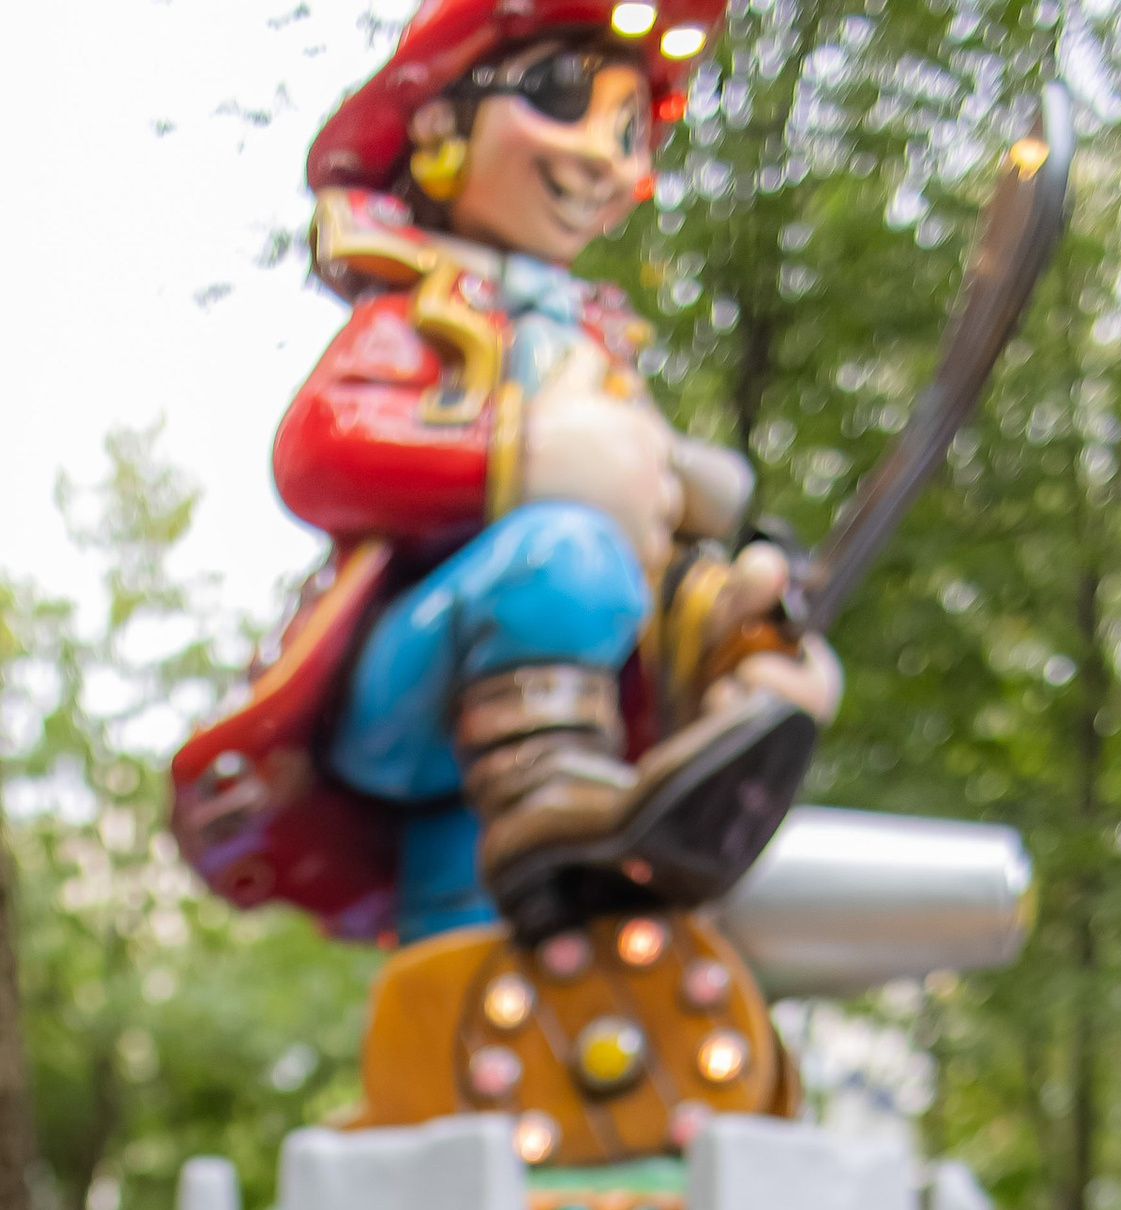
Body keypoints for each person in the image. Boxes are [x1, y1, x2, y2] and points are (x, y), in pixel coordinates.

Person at [172, 0, 841, 946]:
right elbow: (319, 449)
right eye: (561, 98)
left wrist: (733, 627)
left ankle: (632, 821)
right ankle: (550, 806)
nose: (605, 158)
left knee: (712, 612)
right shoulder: (419, 317)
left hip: (570, 715)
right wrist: (522, 456)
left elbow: (644, 565)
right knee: (565, 553)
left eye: (628, 131)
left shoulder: (597, 350)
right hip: (405, 692)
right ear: (439, 125)